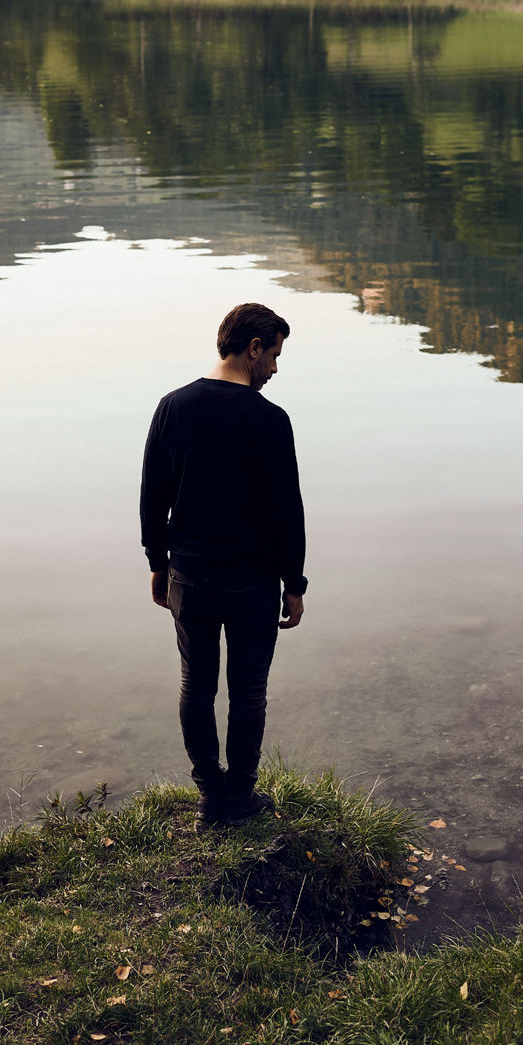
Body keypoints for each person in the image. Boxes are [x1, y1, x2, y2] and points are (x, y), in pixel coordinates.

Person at [141, 301, 307, 830]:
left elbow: (153, 497)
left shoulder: (173, 407)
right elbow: (288, 511)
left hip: (190, 575)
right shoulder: (270, 420)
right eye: (274, 356)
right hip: (253, 582)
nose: (276, 369)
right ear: (252, 348)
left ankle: (210, 798)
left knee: (196, 684)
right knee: (249, 690)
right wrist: (294, 582)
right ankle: (239, 796)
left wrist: (157, 563)